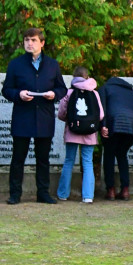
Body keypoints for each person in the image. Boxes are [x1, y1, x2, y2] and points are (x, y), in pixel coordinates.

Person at [2, 28, 67, 205]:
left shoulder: (52, 65)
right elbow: (6, 90)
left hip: (44, 117)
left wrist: (54, 94)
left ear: (42, 43)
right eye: (26, 40)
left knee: (43, 159)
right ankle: (15, 194)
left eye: (33, 40)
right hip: (22, 116)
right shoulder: (15, 64)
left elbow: (62, 88)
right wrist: (19, 94)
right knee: (18, 158)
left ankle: (43, 193)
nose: (29, 43)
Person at [56, 67, 105, 203]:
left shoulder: (69, 92)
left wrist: (71, 120)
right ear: (87, 76)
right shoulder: (94, 93)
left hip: (73, 130)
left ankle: (63, 193)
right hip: (89, 132)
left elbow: (61, 113)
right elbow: (100, 115)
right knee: (88, 162)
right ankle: (88, 196)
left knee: (69, 161)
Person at [98, 75, 133, 200]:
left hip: (113, 122)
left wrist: (103, 126)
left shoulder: (105, 88)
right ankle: (125, 190)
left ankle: (111, 190)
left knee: (109, 154)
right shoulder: (130, 93)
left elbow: (101, 107)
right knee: (122, 154)